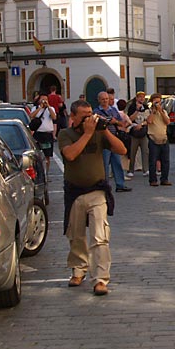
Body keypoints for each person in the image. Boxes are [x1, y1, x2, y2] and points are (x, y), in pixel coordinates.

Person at [58, 99, 127, 296]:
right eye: (84, 116)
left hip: (97, 191)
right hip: (75, 192)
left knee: (100, 236)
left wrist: (104, 130)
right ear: (73, 117)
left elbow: (122, 150)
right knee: (76, 235)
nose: (89, 119)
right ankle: (79, 269)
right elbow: (70, 155)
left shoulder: (98, 133)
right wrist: (88, 134)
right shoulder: (65, 134)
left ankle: (100, 279)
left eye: (91, 115)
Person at [95, 92, 131, 192]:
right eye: (103, 99)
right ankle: (105, 185)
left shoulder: (113, 110)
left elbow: (122, 123)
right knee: (104, 164)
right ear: (99, 100)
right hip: (103, 140)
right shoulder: (96, 111)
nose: (105, 101)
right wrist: (104, 121)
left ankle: (120, 184)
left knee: (117, 162)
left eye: (107, 99)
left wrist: (115, 121)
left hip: (114, 139)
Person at [146, 94, 172, 186]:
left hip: (164, 138)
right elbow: (149, 121)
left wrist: (161, 111)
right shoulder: (148, 111)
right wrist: (153, 111)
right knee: (153, 161)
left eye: (159, 101)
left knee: (165, 161)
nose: (157, 104)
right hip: (153, 139)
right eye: (156, 102)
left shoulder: (164, 111)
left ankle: (164, 179)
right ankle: (153, 180)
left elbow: (168, 122)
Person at [126, 92, 150, 178]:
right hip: (134, 132)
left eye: (143, 97)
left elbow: (148, 120)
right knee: (132, 152)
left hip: (143, 131)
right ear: (136, 98)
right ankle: (131, 170)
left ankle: (146, 169)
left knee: (145, 151)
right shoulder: (132, 107)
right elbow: (130, 119)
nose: (142, 99)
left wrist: (142, 124)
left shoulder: (146, 107)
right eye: (140, 97)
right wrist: (137, 110)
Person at [30, 97, 57, 172]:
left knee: (47, 155)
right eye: (42, 99)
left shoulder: (51, 109)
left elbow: (54, 117)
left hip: (47, 135)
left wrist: (48, 107)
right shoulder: (35, 108)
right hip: (38, 134)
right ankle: (38, 171)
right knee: (37, 154)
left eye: (46, 99)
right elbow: (31, 116)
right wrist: (40, 108)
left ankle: (46, 172)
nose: (44, 101)